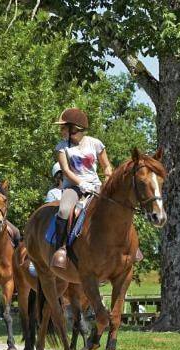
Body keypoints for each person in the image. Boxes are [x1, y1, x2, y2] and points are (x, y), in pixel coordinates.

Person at [50, 108, 113, 268]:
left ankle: (131, 246)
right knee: (64, 210)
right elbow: (65, 170)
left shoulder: (95, 143)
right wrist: (81, 184)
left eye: (64, 127)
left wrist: (107, 178)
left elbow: (106, 165)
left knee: (116, 206)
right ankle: (61, 249)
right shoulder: (62, 147)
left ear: (75, 128)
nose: (61, 130)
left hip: (95, 186)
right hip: (73, 187)